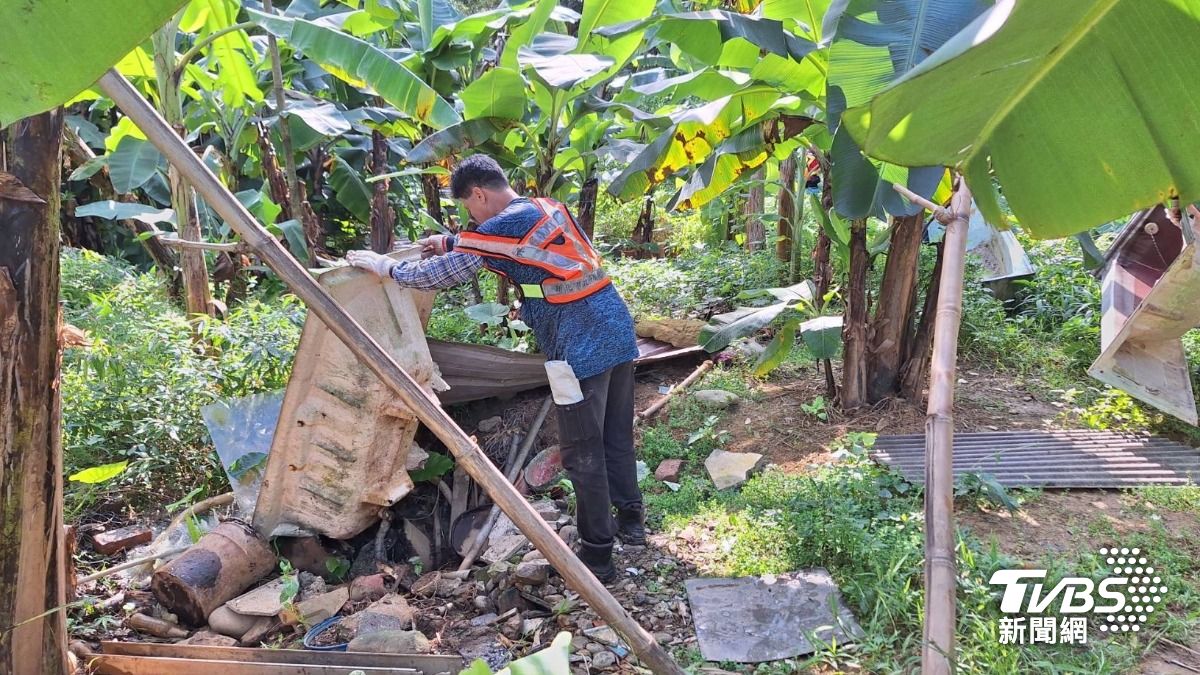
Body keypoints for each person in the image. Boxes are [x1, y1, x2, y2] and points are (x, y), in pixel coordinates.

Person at [346, 154, 644, 583]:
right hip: (615, 330)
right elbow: (506, 248)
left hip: (579, 346)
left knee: (583, 452)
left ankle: (598, 559)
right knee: (616, 436)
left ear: (481, 195)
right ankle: (631, 524)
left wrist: (387, 267)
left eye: (470, 209)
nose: (472, 219)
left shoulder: (501, 224)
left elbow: (445, 273)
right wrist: (447, 241)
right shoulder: (544, 207)